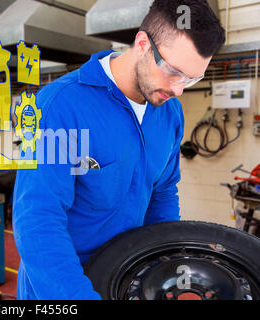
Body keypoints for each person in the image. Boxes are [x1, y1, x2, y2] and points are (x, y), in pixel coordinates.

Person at [12, 0, 226, 299]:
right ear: (142, 44)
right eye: (174, 71)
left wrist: (162, 270)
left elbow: (162, 193)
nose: (179, 89)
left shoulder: (169, 113)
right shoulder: (60, 106)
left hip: (125, 278)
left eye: (192, 79)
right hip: (61, 288)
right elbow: (38, 221)